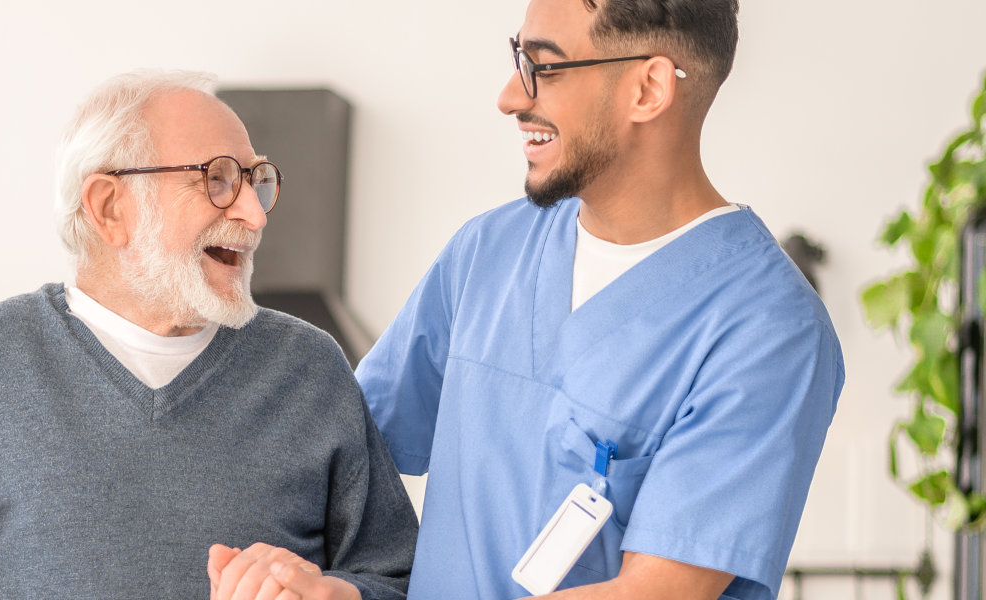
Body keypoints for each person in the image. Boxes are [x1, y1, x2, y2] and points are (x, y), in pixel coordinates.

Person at [216, 1, 842, 599]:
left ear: (648, 89)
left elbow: (653, 593)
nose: (511, 97)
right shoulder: (488, 251)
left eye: (545, 66)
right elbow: (343, 456)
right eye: (521, 60)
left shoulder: (769, 330)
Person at [0, 69, 417, 600]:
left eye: (256, 181)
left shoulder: (308, 368)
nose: (251, 212)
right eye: (217, 180)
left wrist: (333, 595)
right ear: (109, 207)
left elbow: (405, 577)